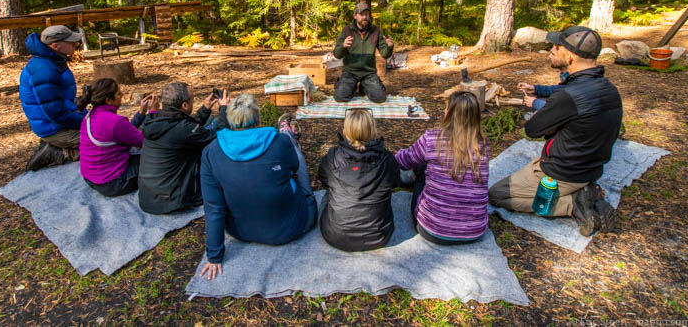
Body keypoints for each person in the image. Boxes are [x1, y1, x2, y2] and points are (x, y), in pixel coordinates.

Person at [488, 26, 623, 237]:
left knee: (497, 195)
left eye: (556, 47)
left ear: (569, 56)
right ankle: (584, 191)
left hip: (561, 172)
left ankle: (573, 204)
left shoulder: (568, 97)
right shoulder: (608, 88)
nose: (552, 50)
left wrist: (545, 110)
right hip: (592, 169)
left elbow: (532, 129)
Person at [199, 95, 317, 280]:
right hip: (292, 226)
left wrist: (214, 257)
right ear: (259, 119)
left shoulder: (210, 151)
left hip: (239, 231)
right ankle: (291, 135)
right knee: (298, 161)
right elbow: (294, 168)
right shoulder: (280, 142)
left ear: (230, 120)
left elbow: (213, 206)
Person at [395, 91, 490, 245]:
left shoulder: (433, 138)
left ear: (450, 114)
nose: (444, 111)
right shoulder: (482, 144)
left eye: (446, 108)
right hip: (475, 231)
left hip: (433, 229)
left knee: (422, 168)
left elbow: (403, 161)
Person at [138, 82, 228, 214]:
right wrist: (224, 109)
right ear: (184, 105)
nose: (193, 101)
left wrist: (205, 109)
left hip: (149, 198)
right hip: (172, 200)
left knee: (208, 123)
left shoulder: (153, 119)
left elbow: (184, 125)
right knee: (213, 136)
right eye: (192, 99)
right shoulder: (183, 129)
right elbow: (219, 136)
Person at [318, 108, 400, 252]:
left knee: (328, 195)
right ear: (373, 131)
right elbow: (394, 182)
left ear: (345, 132)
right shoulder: (387, 159)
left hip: (336, 236)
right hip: (378, 237)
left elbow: (323, 179)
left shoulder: (333, 157)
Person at [77, 78, 159, 197]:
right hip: (113, 183)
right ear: (109, 100)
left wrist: (141, 113)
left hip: (91, 178)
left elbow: (125, 133)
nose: (122, 95)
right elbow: (148, 142)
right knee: (160, 159)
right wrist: (153, 114)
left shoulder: (90, 116)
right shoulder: (115, 122)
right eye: (119, 93)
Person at [19, 25, 85, 171]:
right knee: (106, 140)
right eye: (72, 43)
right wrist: (84, 122)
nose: (75, 45)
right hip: (54, 128)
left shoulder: (53, 61)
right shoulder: (44, 70)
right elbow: (55, 112)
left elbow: (60, 100)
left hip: (57, 123)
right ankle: (60, 152)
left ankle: (58, 145)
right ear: (56, 46)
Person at [333, 2, 394, 103]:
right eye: (362, 14)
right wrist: (343, 46)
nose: (365, 17)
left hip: (368, 73)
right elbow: (337, 54)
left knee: (380, 98)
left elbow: (385, 54)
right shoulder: (346, 30)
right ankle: (350, 86)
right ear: (355, 16)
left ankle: (364, 86)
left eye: (367, 14)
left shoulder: (375, 30)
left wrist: (390, 47)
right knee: (340, 97)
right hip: (350, 72)